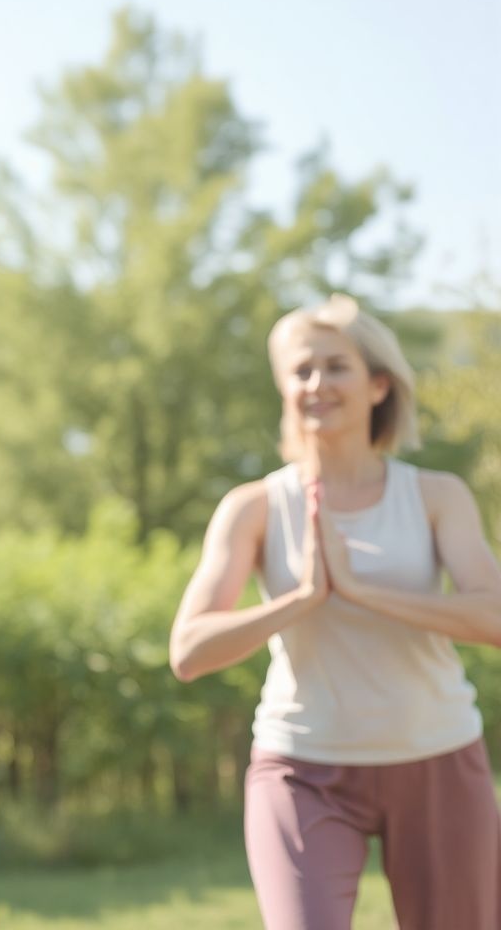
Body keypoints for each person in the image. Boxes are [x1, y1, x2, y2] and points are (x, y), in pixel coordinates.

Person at [168, 294, 501, 930]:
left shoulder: (437, 497)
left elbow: (494, 617)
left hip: (437, 757)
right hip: (302, 767)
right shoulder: (254, 507)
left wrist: (363, 591)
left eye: (336, 366)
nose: (317, 383)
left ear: (379, 385)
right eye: (301, 370)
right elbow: (188, 651)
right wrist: (303, 598)